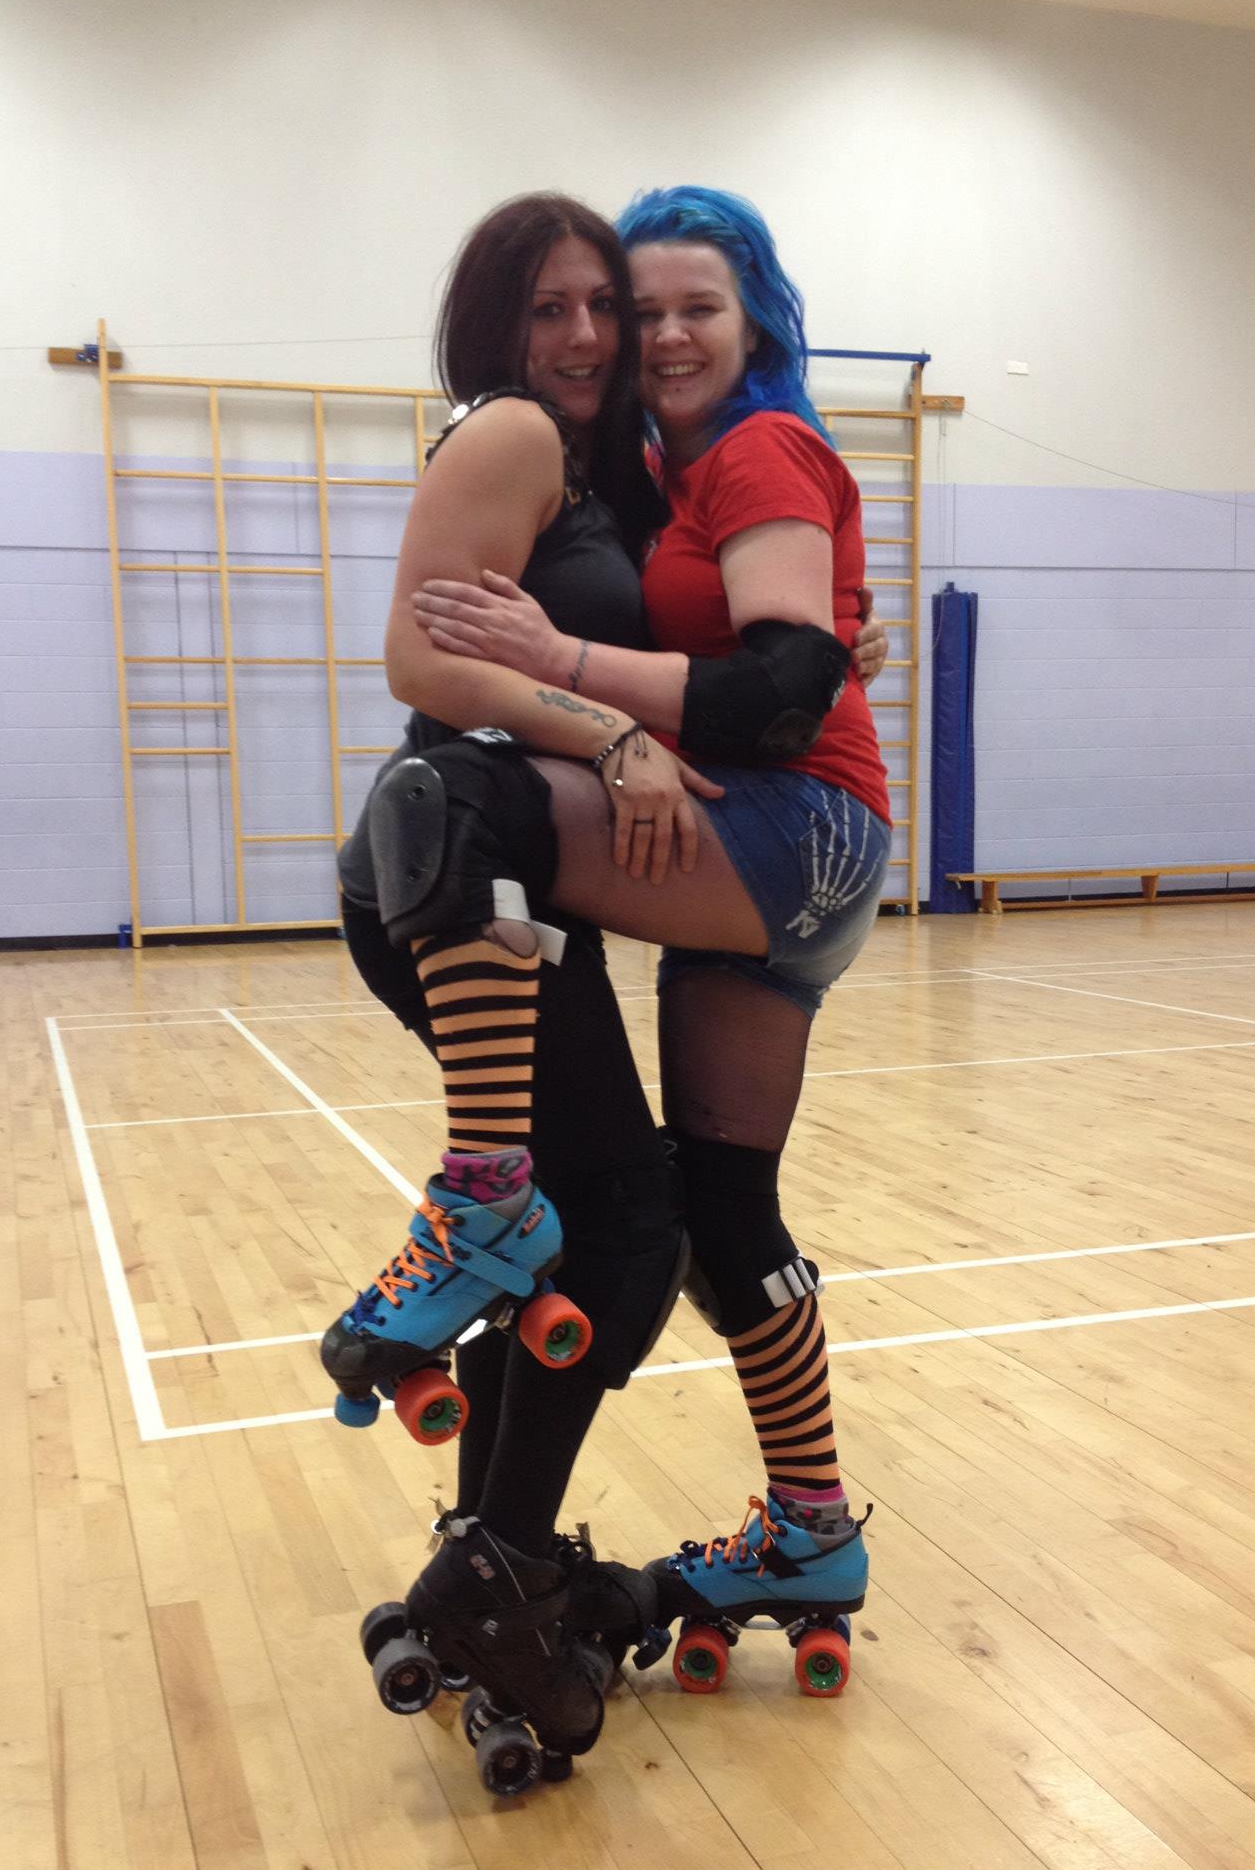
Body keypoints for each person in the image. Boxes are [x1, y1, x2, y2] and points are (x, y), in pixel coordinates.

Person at [335, 188, 890, 1733]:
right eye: (592, 309)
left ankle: (486, 1212)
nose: (628, 336)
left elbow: (778, 684)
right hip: (769, 860)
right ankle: (809, 1527)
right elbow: (764, 642)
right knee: (712, 1214)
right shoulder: (622, 463)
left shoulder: (752, 447)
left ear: (758, 317)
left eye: (665, 308)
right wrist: (678, 697)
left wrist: (593, 685)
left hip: (783, 834)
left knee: (464, 797)